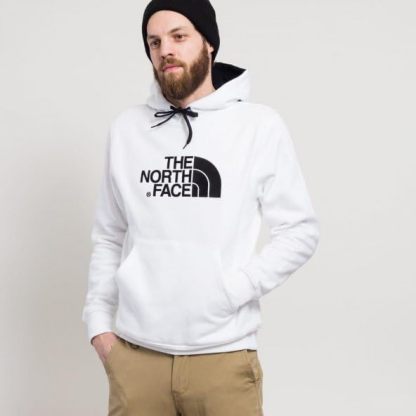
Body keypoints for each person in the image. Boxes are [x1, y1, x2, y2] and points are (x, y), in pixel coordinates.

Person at [81, 0, 320, 414]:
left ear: (208, 42)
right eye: (155, 42)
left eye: (179, 36)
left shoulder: (258, 126)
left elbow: (300, 231)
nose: (166, 51)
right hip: (137, 359)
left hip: (223, 357)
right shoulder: (127, 130)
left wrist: (234, 291)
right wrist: (98, 324)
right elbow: (109, 234)